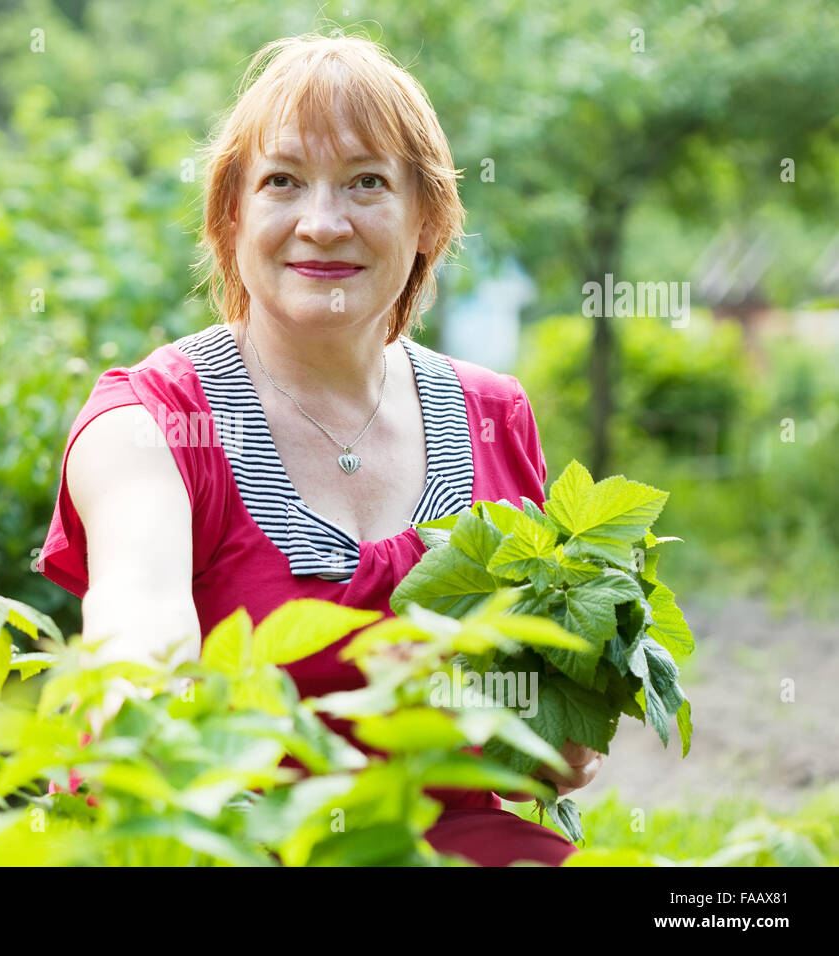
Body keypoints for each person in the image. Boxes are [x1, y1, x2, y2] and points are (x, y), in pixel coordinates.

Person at [36, 32, 602, 866]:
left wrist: (564, 720)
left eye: (367, 182)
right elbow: (137, 640)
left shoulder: (494, 417)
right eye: (283, 181)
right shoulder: (149, 422)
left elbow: (549, 726)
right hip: (215, 836)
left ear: (427, 219)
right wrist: (146, 720)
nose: (324, 222)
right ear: (232, 217)